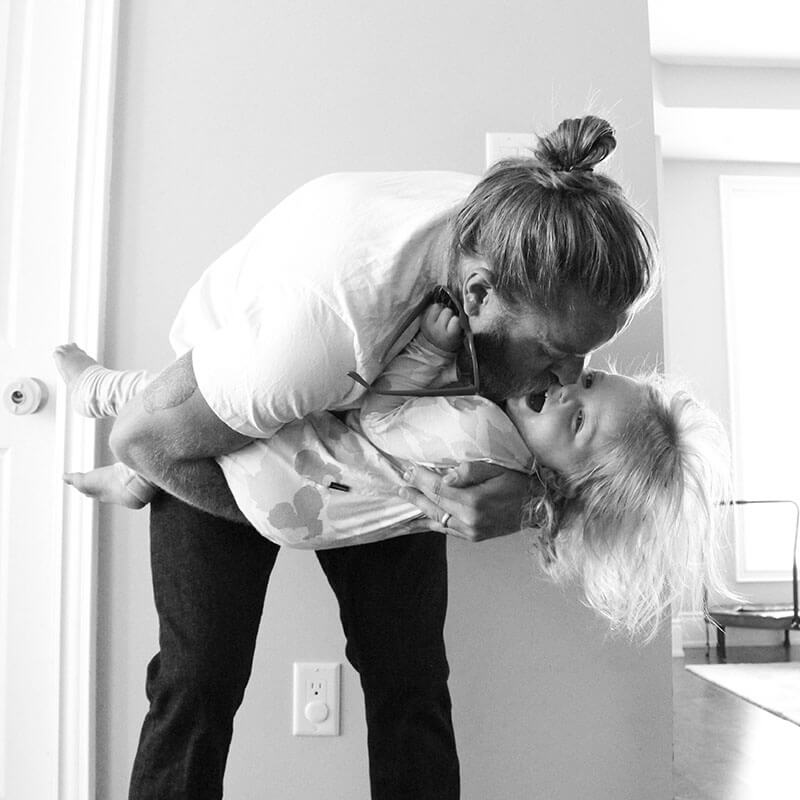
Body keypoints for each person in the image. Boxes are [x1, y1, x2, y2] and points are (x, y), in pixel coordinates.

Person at [70, 116, 660, 799]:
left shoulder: (533, 234)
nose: (566, 376)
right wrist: (302, 508)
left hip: (369, 422)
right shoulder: (314, 330)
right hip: (219, 428)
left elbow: (585, 462)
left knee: (410, 680)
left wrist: (532, 503)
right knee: (198, 680)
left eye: (586, 356)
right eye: (557, 352)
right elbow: (139, 437)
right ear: (476, 296)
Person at [57, 292, 730, 642]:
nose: (566, 385)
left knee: (222, 392)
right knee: (206, 430)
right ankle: (135, 473)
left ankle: (101, 394)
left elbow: (380, 420)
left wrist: (428, 359)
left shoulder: (485, 438)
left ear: (570, 480)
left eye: (577, 419)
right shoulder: (512, 464)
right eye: (591, 382)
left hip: (296, 470)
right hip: (297, 504)